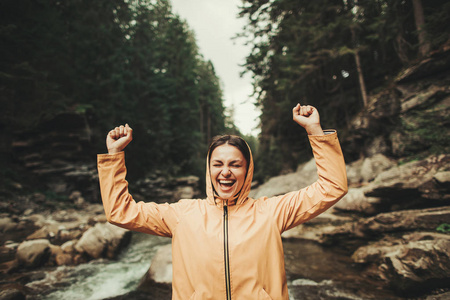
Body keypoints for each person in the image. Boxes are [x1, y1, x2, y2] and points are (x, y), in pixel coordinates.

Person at [97, 103, 348, 300]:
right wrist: (114, 155)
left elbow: (332, 186)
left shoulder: (272, 212)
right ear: (209, 169)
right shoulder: (182, 214)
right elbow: (120, 211)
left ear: (247, 171)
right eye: (218, 164)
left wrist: (315, 131)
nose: (225, 172)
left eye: (234, 164)